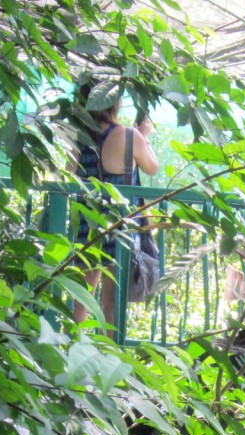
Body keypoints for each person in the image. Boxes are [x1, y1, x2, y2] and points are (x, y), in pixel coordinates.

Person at [71, 86, 159, 328]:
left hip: (88, 222)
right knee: (112, 303)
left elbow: (70, 173)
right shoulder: (130, 136)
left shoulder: (80, 136)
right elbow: (152, 167)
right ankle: (110, 353)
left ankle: (72, 348)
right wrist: (145, 136)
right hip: (121, 225)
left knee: (81, 297)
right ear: (114, 101)